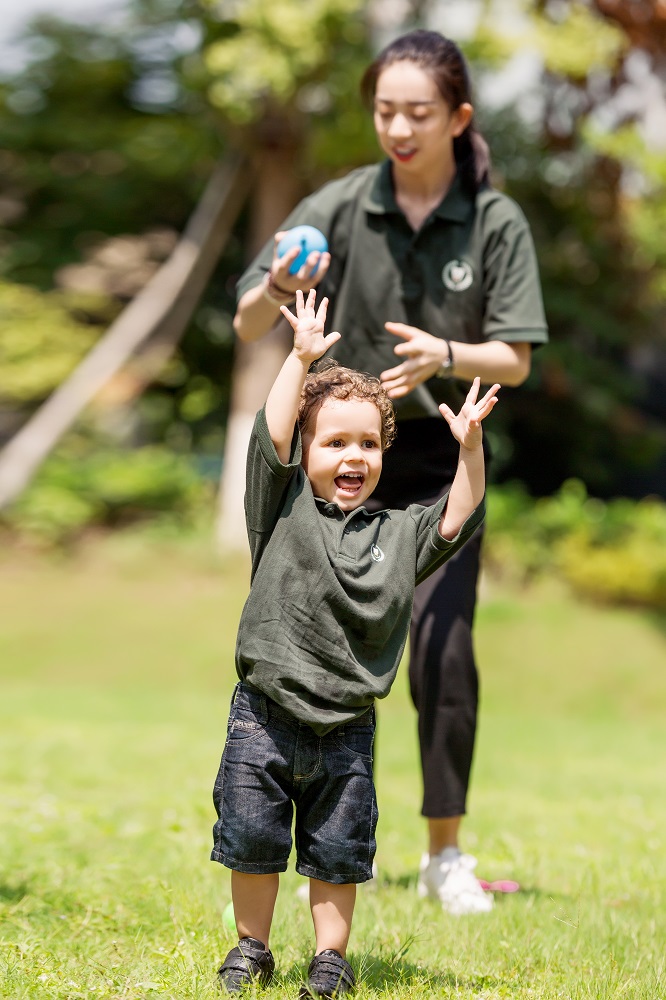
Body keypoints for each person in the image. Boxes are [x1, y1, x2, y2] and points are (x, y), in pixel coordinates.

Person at [232, 29, 548, 916]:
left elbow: (517, 358)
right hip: (339, 467)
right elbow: (245, 322)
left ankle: (445, 853)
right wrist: (277, 281)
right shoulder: (336, 203)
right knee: (299, 641)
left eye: (418, 112)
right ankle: (278, 834)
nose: (399, 128)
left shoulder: (494, 221)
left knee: (443, 652)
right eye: (384, 111)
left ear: (458, 118)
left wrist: (446, 352)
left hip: (437, 461)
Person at [212, 288, 498, 995]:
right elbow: (271, 432)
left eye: (367, 443)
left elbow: (458, 515)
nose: (353, 455)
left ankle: (329, 959)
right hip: (264, 717)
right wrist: (302, 358)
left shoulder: (396, 534)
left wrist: (470, 448)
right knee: (252, 840)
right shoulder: (280, 509)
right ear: (307, 450)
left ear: (383, 453)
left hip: (347, 729)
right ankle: (251, 948)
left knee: (337, 854)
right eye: (335, 441)